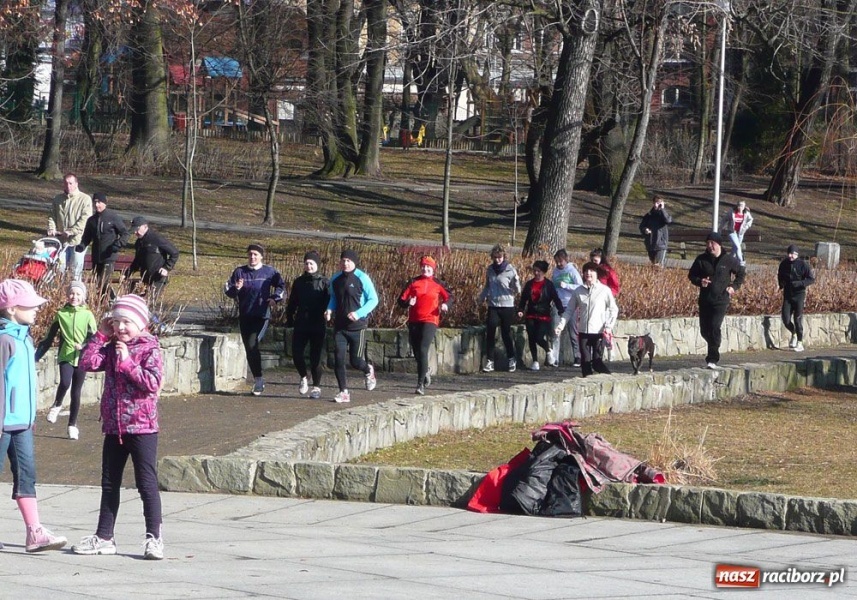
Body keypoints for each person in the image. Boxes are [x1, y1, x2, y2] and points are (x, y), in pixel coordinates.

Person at [74, 294, 165, 560]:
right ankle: (104, 537)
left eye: (126, 322)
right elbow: (88, 363)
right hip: (115, 427)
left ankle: (154, 538)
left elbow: (152, 383)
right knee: (109, 483)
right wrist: (100, 336)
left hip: (143, 428)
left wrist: (127, 363)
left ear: (141, 323)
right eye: (116, 322)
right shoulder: (111, 345)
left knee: (146, 484)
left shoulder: (150, 348)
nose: (121, 328)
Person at [0, 279, 69, 553]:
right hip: (3, 423)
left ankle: (35, 532)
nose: (37, 309)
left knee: (27, 475)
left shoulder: (24, 337)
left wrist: (29, 415)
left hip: (22, 424)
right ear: (12, 309)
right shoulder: (5, 339)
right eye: (31, 305)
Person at [35, 281, 97, 440]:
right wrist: (34, 358)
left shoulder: (88, 314)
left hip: (82, 358)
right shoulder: (61, 314)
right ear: (67, 295)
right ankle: (56, 404)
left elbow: (95, 338)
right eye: (71, 293)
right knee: (64, 382)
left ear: (83, 296)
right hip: (66, 355)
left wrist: (83, 346)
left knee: (76, 393)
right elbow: (48, 339)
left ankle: (72, 425)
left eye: (78, 294)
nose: (74, 297)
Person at [224, 244, 285, 396]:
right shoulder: (240, 271)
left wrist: (274, 298)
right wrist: (237, 288)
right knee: (249, 348)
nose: (252, 257)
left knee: (252, 344)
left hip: (261, 315)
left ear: (261, 257)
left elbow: (281, 287)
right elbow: (228, 290)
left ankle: (258, 380)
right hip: (245, 315)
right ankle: (259, 379)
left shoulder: (269, 272)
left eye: (256, 255)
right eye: (250, 254)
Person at [325, 249, 379, 403]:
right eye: (343, 260)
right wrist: (329, 309)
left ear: (354, 262)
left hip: (357, 327)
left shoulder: (362, 278)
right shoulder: (335, 279)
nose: (345, 263)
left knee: (355, 361)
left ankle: (368, 370)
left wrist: (359, 313)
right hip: (340, 327)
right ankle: (343, 392)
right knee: (338, 359)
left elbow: (373, 300)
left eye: (348, 261)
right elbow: (334, 298)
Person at [688, 231, 746, 369]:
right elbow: (691, 275)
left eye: (712, 243)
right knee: (704, 331)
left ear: (718, 244)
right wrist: (699, 281)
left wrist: (734, 287)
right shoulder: (701, 259)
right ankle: (715, 343)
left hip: (721, 300)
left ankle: (712, 358)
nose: (709, 246)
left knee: (714, 327)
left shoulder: (728, 260)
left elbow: (741, 273)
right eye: (707, 243)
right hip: (705, 299)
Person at [397, 255, 452, 394]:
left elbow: (450, 297)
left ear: (433, 269)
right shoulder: (413, 282)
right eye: (423, 266)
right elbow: (401, 299)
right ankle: (425, 370)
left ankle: (420, 384)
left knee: (423, 349)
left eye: (428, 267)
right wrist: (408, 302)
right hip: (415, 320)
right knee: (416, 352)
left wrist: (445, 304)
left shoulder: (438, 284)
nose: (425, 269)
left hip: (431, 319)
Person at [555, 262, 619, 377]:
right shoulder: (578, 291)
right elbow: (569, 310)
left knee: (597, 362)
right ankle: (587, 389)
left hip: (599, 332)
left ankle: (612, 380)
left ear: (596, 273)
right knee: (585, 363)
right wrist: (560, 325)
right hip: (583, 332)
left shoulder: (604, 290)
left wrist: (608, 327)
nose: (588, 273)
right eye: (586, 271)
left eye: (592, 271)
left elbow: (614, 309)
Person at [285, 251, 330, 399]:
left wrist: (329, 313)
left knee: (316, 357)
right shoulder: (298, 282)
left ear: (317, 265)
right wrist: (289, 317)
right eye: (306, 263)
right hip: (301, 322)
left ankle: (316, 386)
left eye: (311, 263)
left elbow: (330, 302)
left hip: (317, 323)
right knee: (296, 353)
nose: (309, 266)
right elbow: (292, 302)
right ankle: (304, 376)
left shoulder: (324, 282)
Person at [75, 192, 129, 299]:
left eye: (99, 202)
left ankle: (113, 300)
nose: (97, 205)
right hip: (96, 257)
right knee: (98, 284)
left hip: (109, 256)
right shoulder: (91, 220)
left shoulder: (112, 217)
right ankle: (104, 304)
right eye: (95, 202)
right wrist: (82, 245)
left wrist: (117, 244)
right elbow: (87, 237)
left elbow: (125, 233)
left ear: (105, 203)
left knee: (103, 282)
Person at [479, 244, 521, 373]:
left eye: (500, 257)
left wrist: (516, 282)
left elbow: (517, 289)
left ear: (504, 257)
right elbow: (487, 285)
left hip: (507, 305)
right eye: (495, 257)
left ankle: (511, 358)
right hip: (493, 305)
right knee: (490, 331)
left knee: (505, 333)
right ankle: (490, 361)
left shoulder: (510, 270)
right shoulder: (490, 269)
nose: (498, 260)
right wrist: (481, 297)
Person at [517, 260, 563, 371]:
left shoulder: (549, 285)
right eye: (535, 271)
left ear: (544, 272)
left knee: (538, 337)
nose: (536, 273)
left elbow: (556, 299)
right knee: (531, 338)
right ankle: (535, 361)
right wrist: (521, 310)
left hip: (544, 315)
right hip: (531, 314)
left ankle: (548, 350)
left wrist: (561, 310)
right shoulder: (529, 284)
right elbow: (523, 299)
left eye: (539, 271)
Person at [47, 173, 92, 281]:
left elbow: (85, 219)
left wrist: (72, 231)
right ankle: (58, 294)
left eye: (71, 183)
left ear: (76, 184)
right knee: (58, 270)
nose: (68, 186)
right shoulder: (58, 199)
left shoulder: (85, 199)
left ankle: (75, 295)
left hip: (78, 241)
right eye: (66, 183)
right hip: (61, 242)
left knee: (75, 273)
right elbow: (52, 216)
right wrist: (51, 228)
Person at [127, 217, 180, 305]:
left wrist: (166, 268)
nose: (135, 232)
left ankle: (155, 319)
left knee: (149, 303)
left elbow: (174, 253)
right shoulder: (138, 243)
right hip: (145, 279)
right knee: (142, 304)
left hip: (158, 278)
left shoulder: (156, 239)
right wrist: (127, 274)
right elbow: (137, 261)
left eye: (137, 229)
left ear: (145, 226)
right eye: (134, 230)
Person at [777, 244, 814, 352]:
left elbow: (811, 279)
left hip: (799, 294)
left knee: (797, 319)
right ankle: (793, 333)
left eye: (792, 254)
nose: (790, 256)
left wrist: (801, 283)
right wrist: (781, 284)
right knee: (786, 319)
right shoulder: (784, 264)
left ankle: (800, 342)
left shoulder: (803, 264)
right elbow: (780, 275)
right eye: (789, 253)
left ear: (797, 254)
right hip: (788, 294)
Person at [550, 249, 582, 367]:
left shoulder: (572, 271)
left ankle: (577, 357)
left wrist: (567, 285)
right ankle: (555, 358)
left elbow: (580, 286)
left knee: (573, 331)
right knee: (556, 330)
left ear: (566, 260)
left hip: (570, 304)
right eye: (557, 262)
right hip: (558, 304)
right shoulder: (555, 271)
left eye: (561, 262)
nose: (559, 264)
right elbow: (553, 286)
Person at [639, 196, 672, 267]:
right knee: (653, 265)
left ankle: (660, 277)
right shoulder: (649, 215)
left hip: (661, 244)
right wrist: (645, 230)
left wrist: (662, 209)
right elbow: (641, 226)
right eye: (656, 202)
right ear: (653, 203)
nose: (658, 204)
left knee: (658, 266)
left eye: (660, 203)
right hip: (650, 244)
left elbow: (668, 220)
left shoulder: (663, 214)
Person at [720, 201, 754, 266]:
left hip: (740, 233)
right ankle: (741, 262)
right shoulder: (732, 212)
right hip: (732, 232)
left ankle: (729, 261)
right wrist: (720, 228)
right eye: (738, 205)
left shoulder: (746, 213)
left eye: (741, 206)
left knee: (735, 249)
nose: (740, 207)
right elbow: (725, 219)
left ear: (744, 207)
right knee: (738, 247)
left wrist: (746, 226)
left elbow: (751, 220)